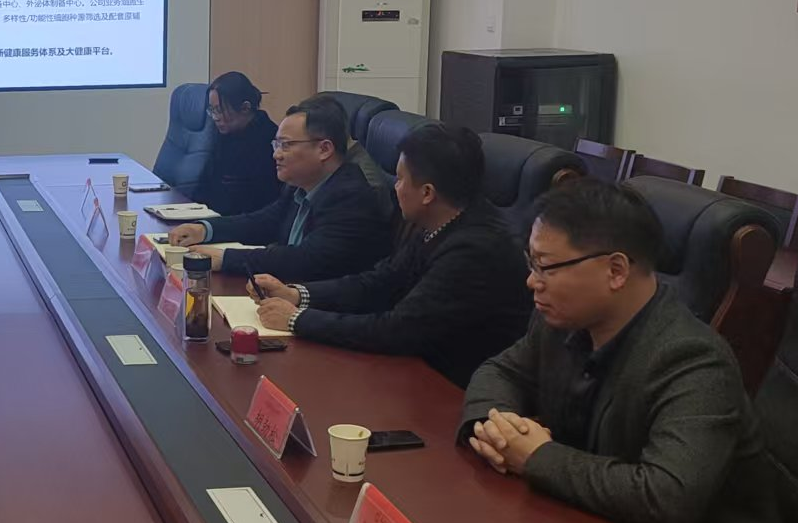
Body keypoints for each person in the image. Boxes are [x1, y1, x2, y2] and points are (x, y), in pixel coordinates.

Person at [459, 179, 791, 523]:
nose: (532, 281)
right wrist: (498, 429)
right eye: (532, 263)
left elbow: (666, 497)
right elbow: (500, 371)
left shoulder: (694, 360)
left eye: (545, 266)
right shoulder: (561, 320)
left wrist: (535, 457)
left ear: (616, 270)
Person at [250, 124, 531, 387]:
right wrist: (296, 294)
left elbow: (398, 330)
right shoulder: (440, 222)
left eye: (400, 179)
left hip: (450, 388)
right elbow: (378, 282)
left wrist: (296, 319)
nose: (395, 187)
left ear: (427, 193)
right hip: (415, 369)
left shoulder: (474, 250)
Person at [167, 98, 390, 283]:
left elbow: (305, 260)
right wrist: (205, 229)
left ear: (324, 149)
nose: (276, 154)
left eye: (286, 145)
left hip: (322, 308)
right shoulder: (301, 185)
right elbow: (263, 221)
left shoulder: (350, 196)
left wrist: (226, 258)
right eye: (276, 145)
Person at [197, 72, 279, 216]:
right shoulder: (224, 135)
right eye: (212, 110)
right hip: (213, 217)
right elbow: (206, 184)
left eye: (220, 110)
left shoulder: (267, 140)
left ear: (245, 108)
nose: (215, 117)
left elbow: (256, 202)